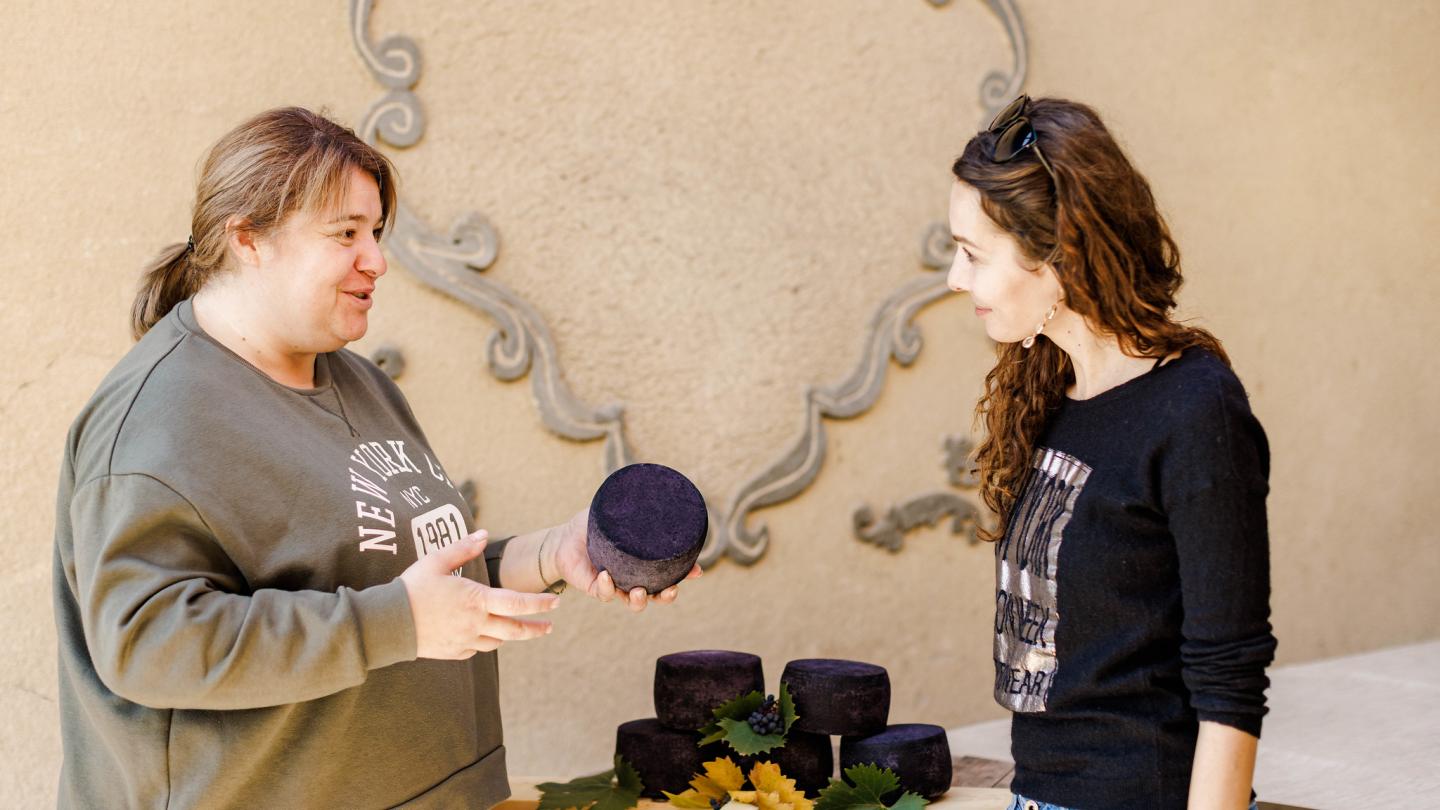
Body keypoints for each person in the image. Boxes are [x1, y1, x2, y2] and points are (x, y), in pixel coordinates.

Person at [52, 106, 699, 809]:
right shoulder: (156, 420)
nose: (377, 260)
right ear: (248, 238)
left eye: (377, 232)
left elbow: (400, 578)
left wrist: (552, 553)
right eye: (346, 234)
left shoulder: (359, 384)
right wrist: (399, 623)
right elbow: (149, 646)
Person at [944, 96, 1276, 810]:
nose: (955, 278)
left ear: (1056, 256)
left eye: (972, 254)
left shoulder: (1195, 411)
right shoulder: (1054, 390)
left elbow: (1230, 679)